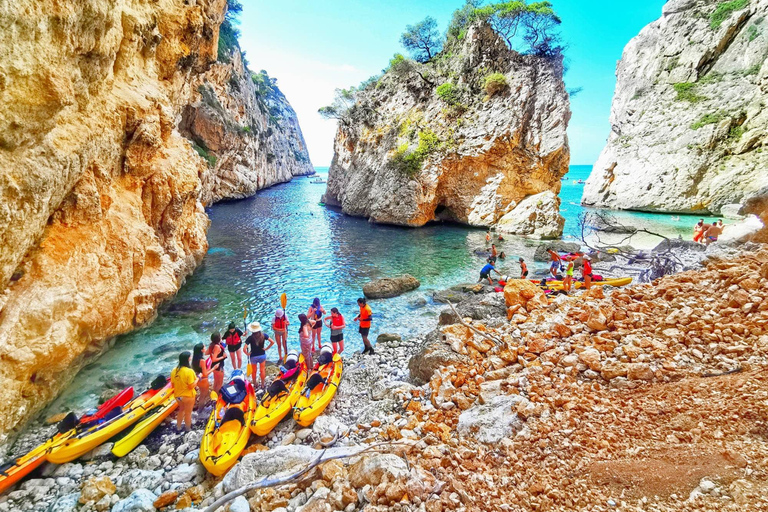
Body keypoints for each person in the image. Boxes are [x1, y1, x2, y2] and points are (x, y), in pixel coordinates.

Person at [171, 351, 198, 432]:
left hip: (178, 396)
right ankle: (188, 429)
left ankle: (178, 428)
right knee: (188, 413)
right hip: (188, 396)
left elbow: (173, 385)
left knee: (181, 410)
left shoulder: (174, 370)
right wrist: (198, 379)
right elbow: (191, 386)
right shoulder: (189, 371)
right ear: (188, 359)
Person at [244, 322, 275, 389]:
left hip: (253, 356)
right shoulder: (264, 335)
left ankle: (255, 384)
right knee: (262, 370)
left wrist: (247, 353)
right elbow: (272, 342)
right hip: (262, 355)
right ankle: (263, 384)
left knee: (254, 371)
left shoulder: (250, 338)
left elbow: (244, 349)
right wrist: (266, 348)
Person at [191, 343, 211, 412]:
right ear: (201, 350)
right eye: (204, 348)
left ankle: (201, 408)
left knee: (202, 394)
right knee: (203, 395)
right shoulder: (202, 360)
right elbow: (204, 373)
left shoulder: (194, 359)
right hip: (203, 379)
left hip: (198, 379)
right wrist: (213, 368)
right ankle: (201, 410)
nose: (205, 349)